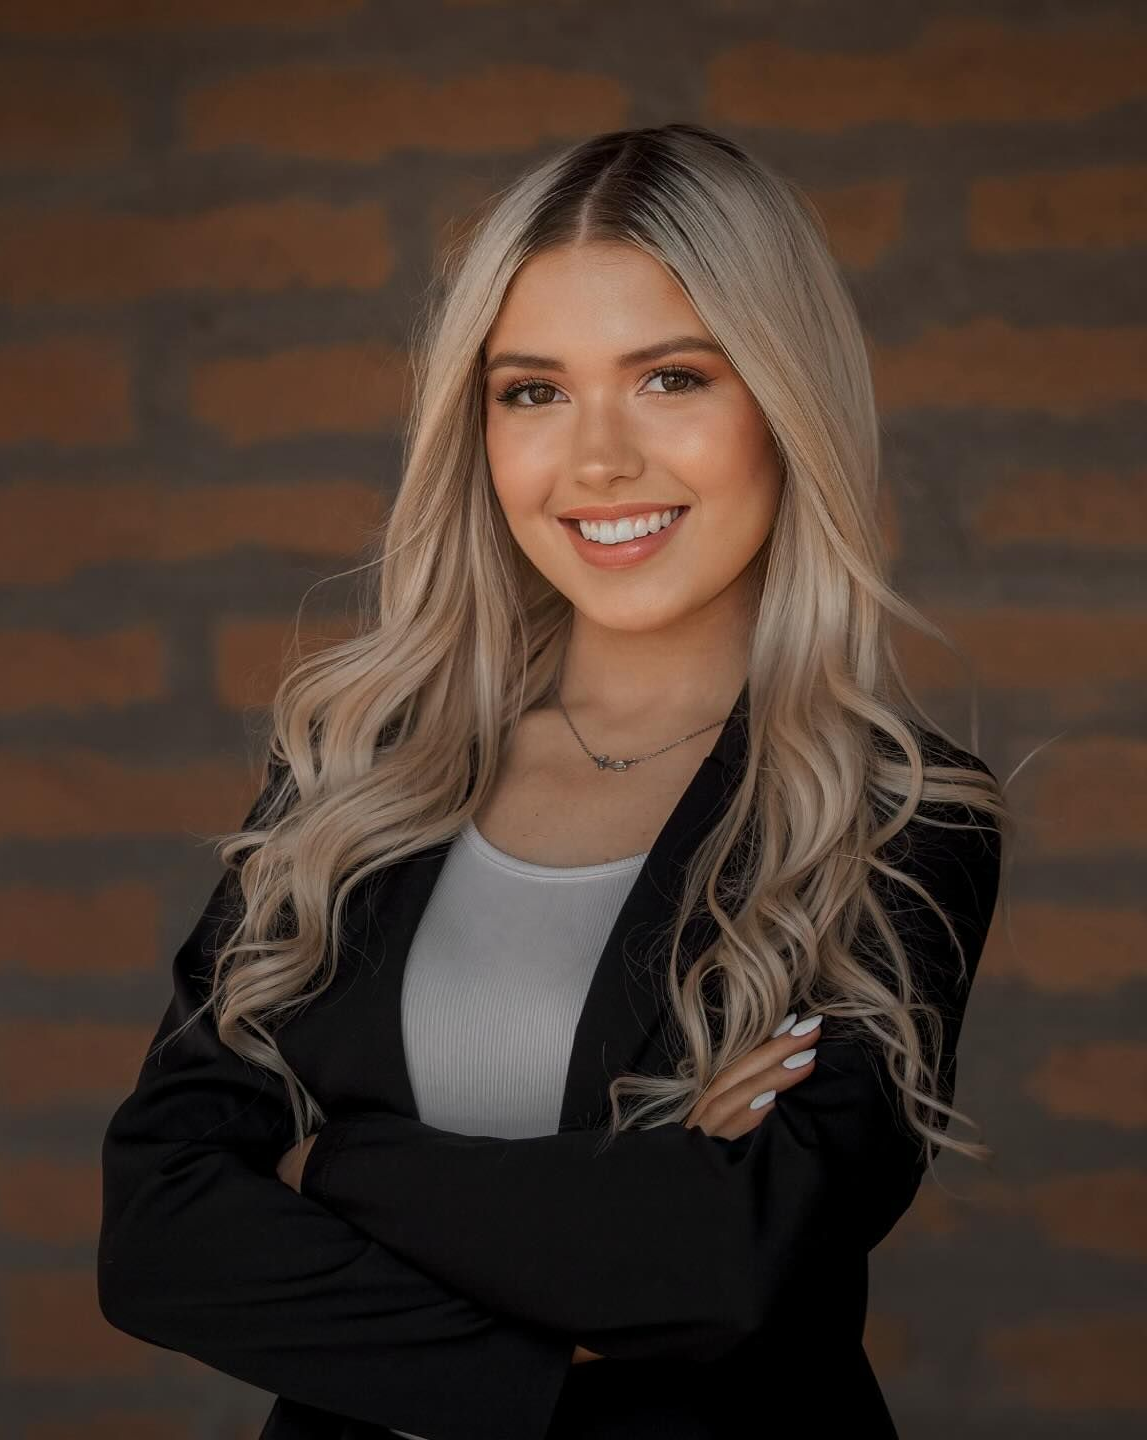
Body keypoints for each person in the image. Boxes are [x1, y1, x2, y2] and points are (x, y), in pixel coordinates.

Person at [97, 124, 1015, 1439]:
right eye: (532, 390)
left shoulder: (893, 814)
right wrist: (566, 1311)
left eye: (669, 380)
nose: (595, 459)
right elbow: (159, 1232)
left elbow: (725, 1264)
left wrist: (325, 1170)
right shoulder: (358, 768)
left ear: (784, 398)